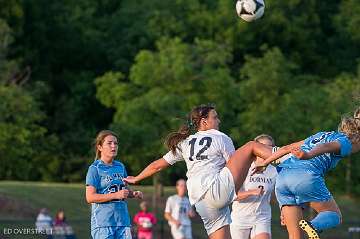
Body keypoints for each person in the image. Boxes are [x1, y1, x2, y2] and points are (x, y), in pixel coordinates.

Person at [124, 104, 275, 239]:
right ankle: (285, 156)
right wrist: (264, 162)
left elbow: (157, 165)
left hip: (199, 201)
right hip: (216, 190)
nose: (219, 121)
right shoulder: (221, 137)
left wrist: (137, 178)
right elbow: (234, 165)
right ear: (204, 121)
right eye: (215, 117)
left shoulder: (184, 142)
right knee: (250, 146)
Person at [253, 108, 360, 239]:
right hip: (306, 176)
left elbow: (288, 147)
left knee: (294, 236)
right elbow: (326, 147)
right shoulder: (347, 142)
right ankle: (313, 225)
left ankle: (309, 226)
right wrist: (307, 155)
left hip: (283, 179)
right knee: (333, 214)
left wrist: (265, 162)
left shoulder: (321, 135)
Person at [85, 130, 144, 239]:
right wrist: (116, 195)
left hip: (123, 222)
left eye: (116, 143)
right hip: (103, 224)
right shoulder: (94, 169)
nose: (114, 146)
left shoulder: (120, 166)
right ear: (100, 147)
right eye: (109, 143)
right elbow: (90, 197)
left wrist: (133, 194)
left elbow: (124, 191)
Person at [230, 134, 278, 239]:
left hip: (262, 217)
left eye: (270, 147)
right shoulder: (244, 166)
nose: (266, 149)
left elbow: (276, 196)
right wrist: (251, 192)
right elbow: (231, 195)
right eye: (263, 146)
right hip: (240, 218)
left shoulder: (274, 171)